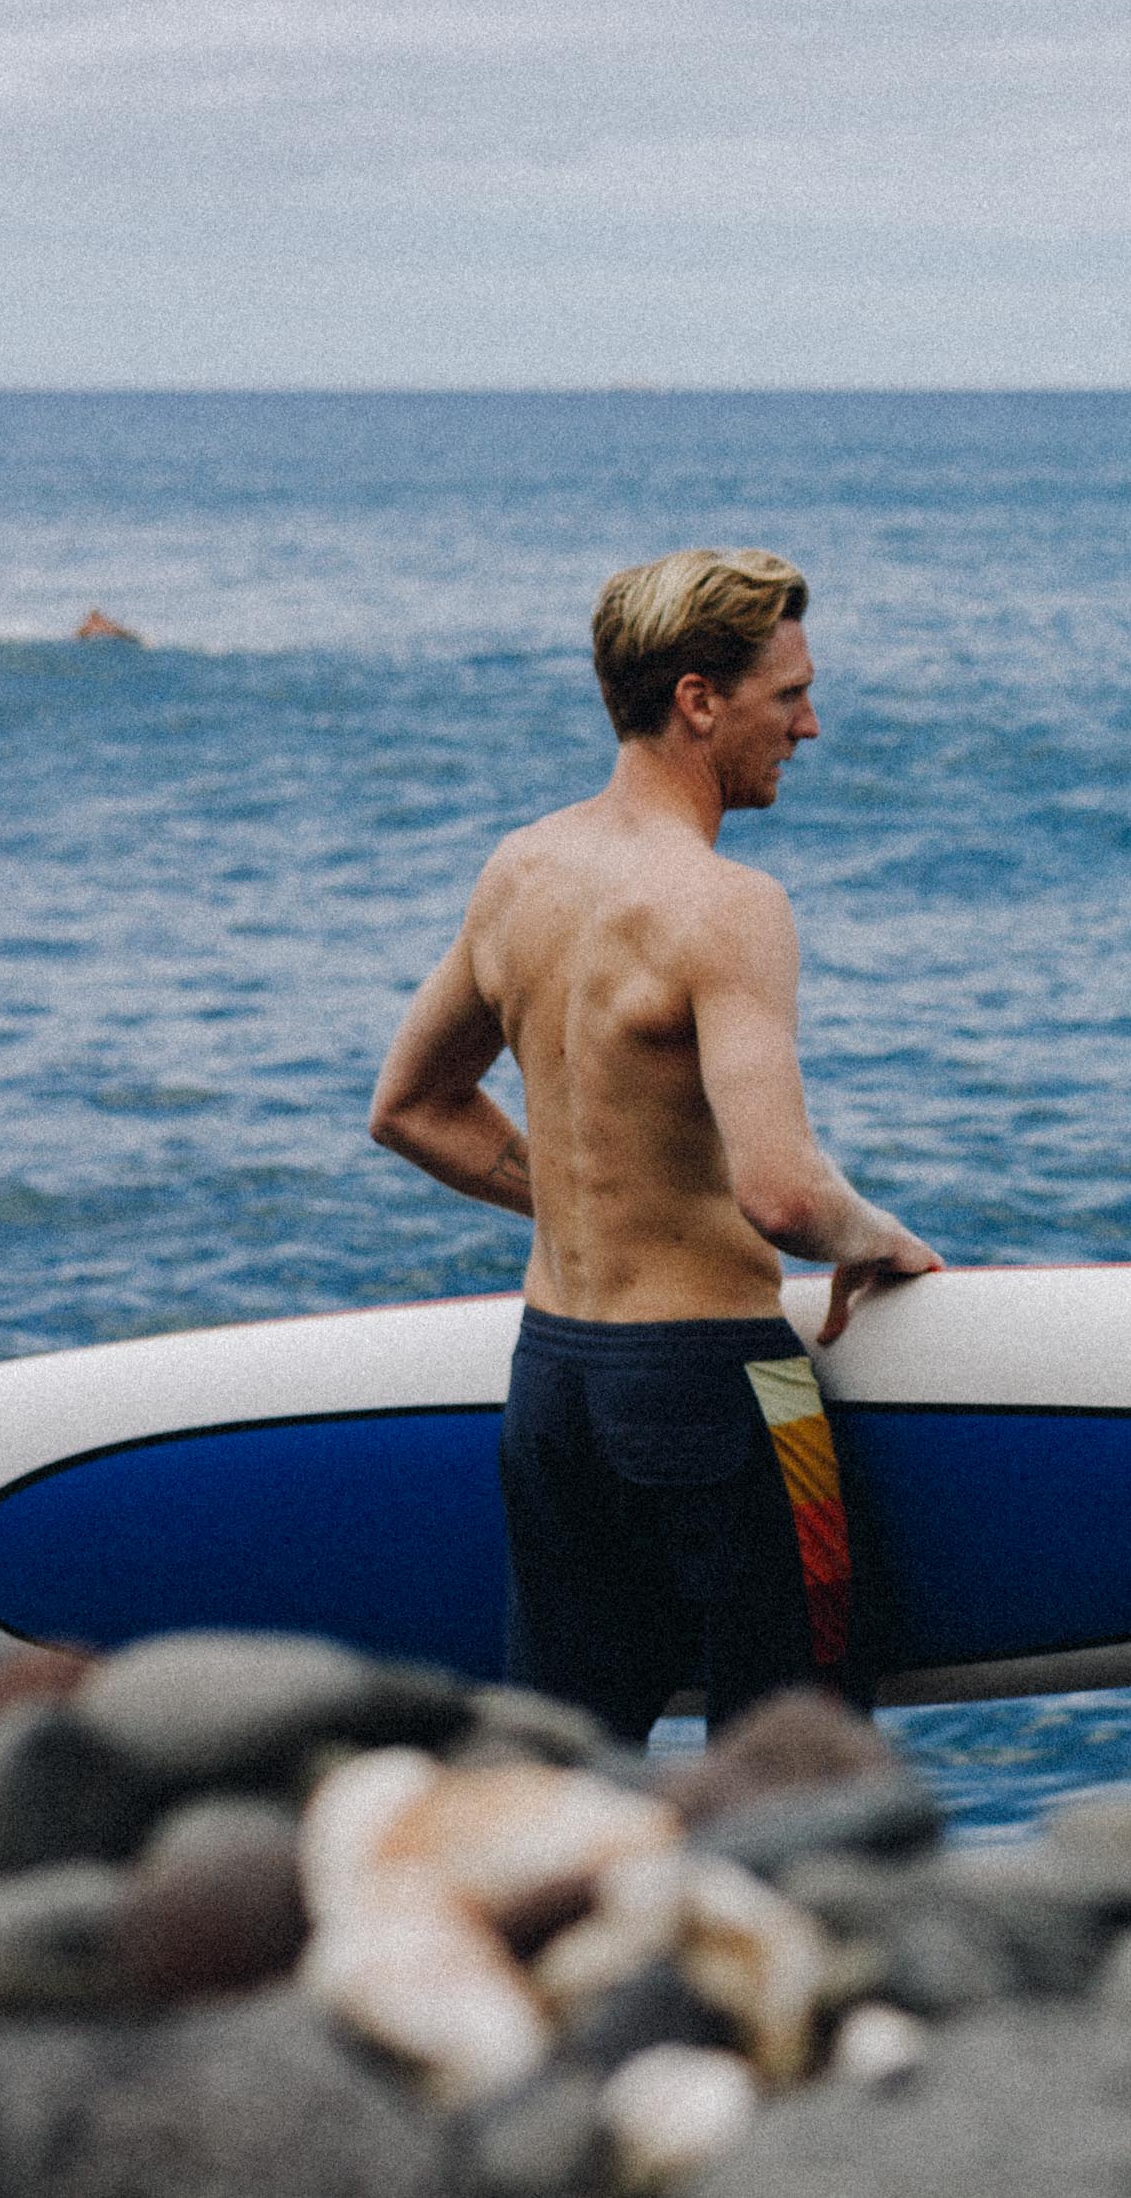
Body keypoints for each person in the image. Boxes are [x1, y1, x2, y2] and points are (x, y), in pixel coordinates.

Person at [371, 545, 942, 1742]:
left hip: (554, 1389)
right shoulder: (728, 908)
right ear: (698, 700)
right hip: (729, 1387)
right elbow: (782, 1195)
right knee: (800, 1739)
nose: (811, 725)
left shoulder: (519, 872)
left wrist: (592, 1202)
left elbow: (411, 1106)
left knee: (565, 1752)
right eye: (786, 695)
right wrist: (879, 1238)